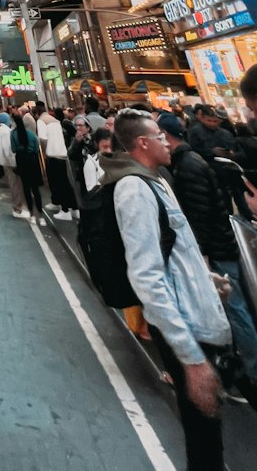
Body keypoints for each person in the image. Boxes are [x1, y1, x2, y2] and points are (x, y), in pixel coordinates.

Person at [109, 109, 232, 470]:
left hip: (194, 313)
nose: (168, 141)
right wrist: (191, 358)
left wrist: (205, 280)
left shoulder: (157, 181)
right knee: (204, 439)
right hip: (183, 324)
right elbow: (146, 275)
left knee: (207, 432)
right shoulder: (134, 189)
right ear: (142, 143)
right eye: (159, 136)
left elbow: (174, 252)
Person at [159, 111, 257, 400]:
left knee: (235, 312)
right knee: (231, 310)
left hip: (215, 250)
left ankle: (249, 374)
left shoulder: (188, 166)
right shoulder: (191, 160)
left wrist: (201, 254)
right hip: (220, 245)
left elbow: (198, 215)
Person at [40, 107, 76, 220]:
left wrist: (45, 151)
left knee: (58, 182)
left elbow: (42, 138)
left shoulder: (41, 121)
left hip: (53, 156)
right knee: (66, 182)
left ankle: (64, 209)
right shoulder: (56, 122)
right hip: (63, 155)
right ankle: (74, 209)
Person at [11, 113, 45, 224]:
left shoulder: (13, 134)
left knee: (26, 188)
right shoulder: (31, 134)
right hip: (32, 160)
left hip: (21, 159)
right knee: (35, 188)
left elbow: (13, 148)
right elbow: (36, 148)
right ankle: (41, 215)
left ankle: (32, 215)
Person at [0, 113, 26, 218]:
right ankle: (17, 209)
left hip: (6, 162)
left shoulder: (2, 130)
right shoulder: (5, 132)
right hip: (9, 163)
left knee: (15, 184)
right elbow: (7, 149)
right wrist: (13, 162)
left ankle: (17, 207)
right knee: (15, 185)